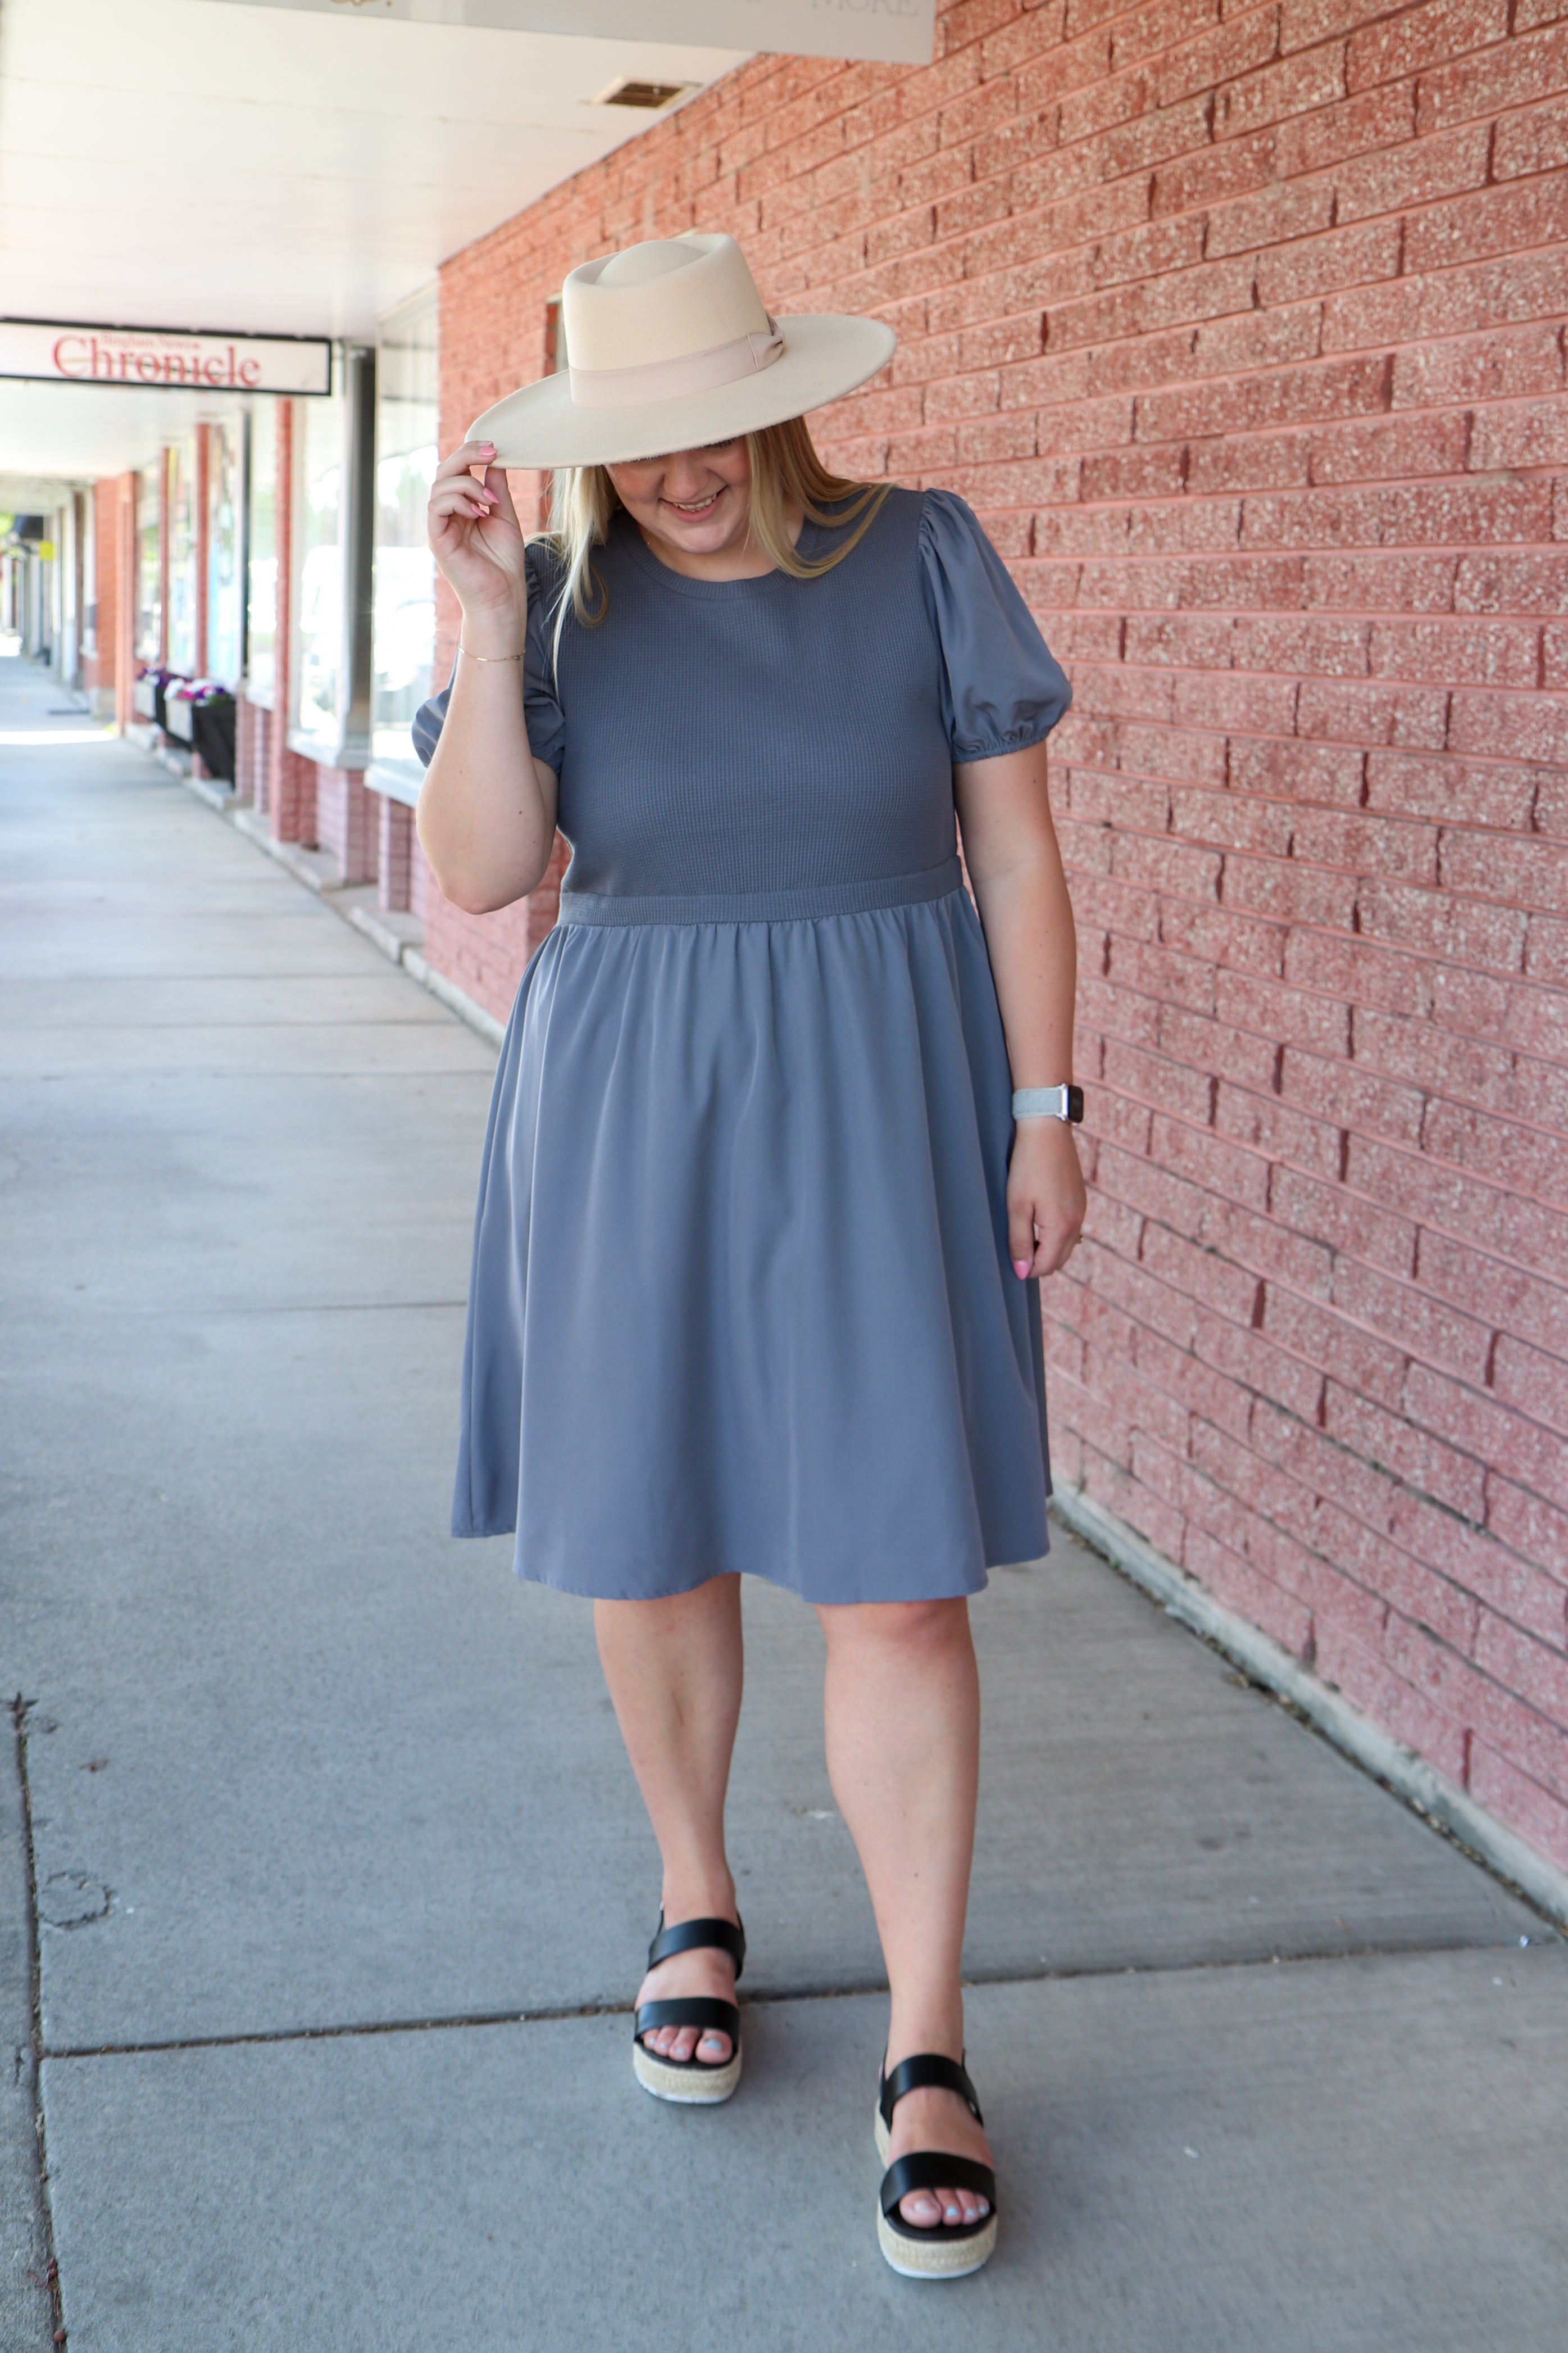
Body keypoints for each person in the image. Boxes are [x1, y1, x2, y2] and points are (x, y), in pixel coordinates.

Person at [412, 232, 1083, 2282]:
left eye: (706, 427)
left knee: (895, 1580)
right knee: (655, 1536)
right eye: (636, 442)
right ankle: (696, 1899)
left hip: (887, 1089)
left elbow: (1018, 848)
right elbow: (486, 869)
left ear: (780, 397)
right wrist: (476, 612)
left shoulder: (925, 552)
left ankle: (928, 2044)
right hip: (628, 1098)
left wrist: (1046, 1108)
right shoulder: (559, 600)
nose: (678, 472)